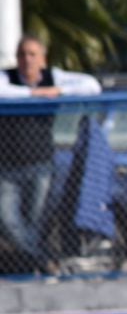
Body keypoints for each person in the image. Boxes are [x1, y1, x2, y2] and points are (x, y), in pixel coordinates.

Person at [0, 35, 102, 275]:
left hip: (40, 164)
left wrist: (58, 90)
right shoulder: (8, 78)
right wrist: (34, 94)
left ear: (43, 59)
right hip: (7, 167)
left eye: (33, 54)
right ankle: (45, 261)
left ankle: (30, 268)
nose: (27, 60)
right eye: (22, 55)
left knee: (35, 222)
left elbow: (92, 86)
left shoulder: (53, 77)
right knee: (8, 221)